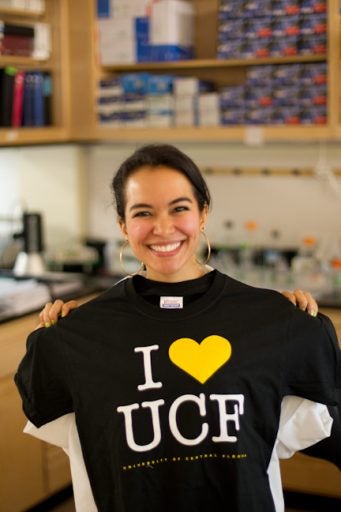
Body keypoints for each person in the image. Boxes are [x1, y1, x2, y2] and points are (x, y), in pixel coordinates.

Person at [15, 144, 341, 512]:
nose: (163, 227)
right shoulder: (76, 339)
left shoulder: (273, 322)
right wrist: (60, 333)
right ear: (122, 224)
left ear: (203, 213)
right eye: (143, 212)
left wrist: (288, 322)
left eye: (179, 208)